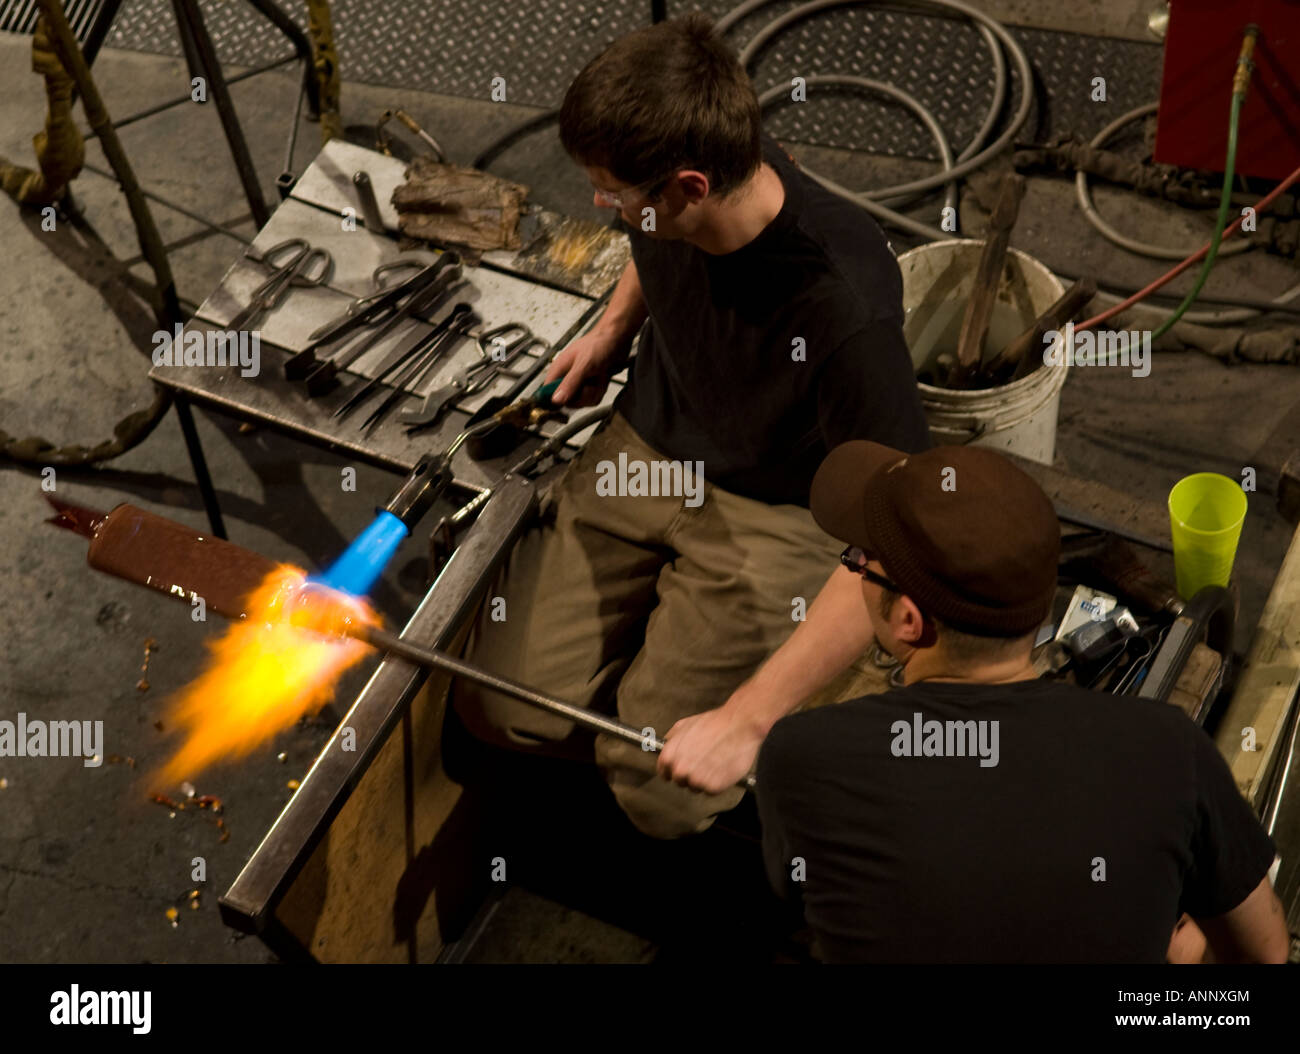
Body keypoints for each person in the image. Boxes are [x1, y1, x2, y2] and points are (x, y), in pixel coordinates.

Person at [453, 13, 930, 838]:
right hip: (645, 449)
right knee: (501, 709)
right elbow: (645, 254)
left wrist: (747, 717)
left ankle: (758, 739)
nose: (602, 204)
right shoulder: (677, 184)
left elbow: (894, 544)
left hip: (773, 508)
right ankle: (650, 693)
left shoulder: (846, 309)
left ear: (690, 189)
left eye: (614, 193)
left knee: (660, 792)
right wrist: (612, 332)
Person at [755, 439, 1289, 963]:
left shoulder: (802, 757)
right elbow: (1264, 953)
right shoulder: (1171, 751)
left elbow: (801, 897)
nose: (855, 567)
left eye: (860, 562)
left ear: (908, 622)